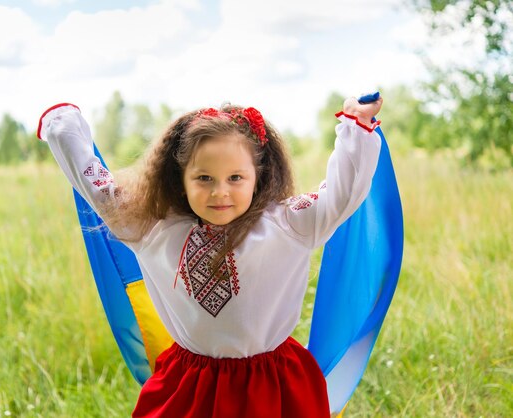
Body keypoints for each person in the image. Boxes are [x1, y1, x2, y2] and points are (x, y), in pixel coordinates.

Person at [37, 96, 383, 418]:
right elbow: (98, 189)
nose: (220, 191)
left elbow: (342, 193)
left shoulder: (289, 224)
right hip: (191, 385)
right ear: (180, 179)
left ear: (257, 177)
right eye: (204, 178)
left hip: (273, 383)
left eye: (236, 177)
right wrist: (62, 125)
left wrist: (356, 126)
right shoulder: (152, 228)